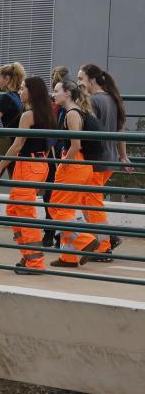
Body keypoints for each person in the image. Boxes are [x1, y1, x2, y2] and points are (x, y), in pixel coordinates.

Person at [0, 75, 56, 275]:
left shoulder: (29, 115)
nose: (20, 91)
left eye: (23, 88)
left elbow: (17, 145)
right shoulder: (46, 112)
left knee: (24, 213)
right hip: (36, 164)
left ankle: (35, 262)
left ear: (32, 92)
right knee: (15, 209)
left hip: (29, 164)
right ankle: (28, 256)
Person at [78, 63, 128, 261]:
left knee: (91, 201)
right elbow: (119, 131)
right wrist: (122, 155)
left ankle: (104, 246)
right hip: (109, 158)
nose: (79, 83)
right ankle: (108, 237)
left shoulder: (94, 101)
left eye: (81, 79)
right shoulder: (112, 99)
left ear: (91, 80)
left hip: (97, 159)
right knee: (88, 200)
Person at [50, 78, 99, 268]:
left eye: (56, 91)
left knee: (56, 208)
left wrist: (63, 163)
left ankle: (85, 241)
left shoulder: (71, 113)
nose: (53, 94)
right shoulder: (77, 111)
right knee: (67, 211)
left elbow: (75, 145)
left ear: (67, 93)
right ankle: (68, 257)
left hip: (74, 164)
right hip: (82, 166)